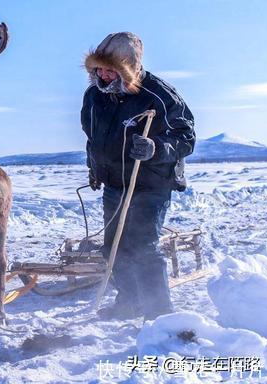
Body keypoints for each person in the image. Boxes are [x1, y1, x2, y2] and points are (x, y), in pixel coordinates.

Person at [81, 32, 195, 321]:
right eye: (98, 69)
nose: (103, 76)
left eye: (110, 70)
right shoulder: (95, 95)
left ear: (128, 67)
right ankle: (129, 302)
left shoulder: (158, 95)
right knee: (114, 247)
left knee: (142, 246)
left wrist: (156, 148)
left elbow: (186, 138)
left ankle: (159, 314)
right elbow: (92, 136)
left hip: (151, 183)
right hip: (115, 183)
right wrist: (95, 167)